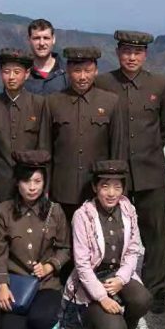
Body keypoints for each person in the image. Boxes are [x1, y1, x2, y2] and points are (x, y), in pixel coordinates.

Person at [95, 30, 165, 313]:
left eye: (137, 52)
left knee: (156, 234)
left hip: (150, 172)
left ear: (145, 55)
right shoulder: (103, 83)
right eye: (127, 52)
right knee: (113, 234)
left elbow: (164, 128)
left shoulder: (160, 83)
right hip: (116, 177)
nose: (132, 57)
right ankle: (111, 287)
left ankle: (155, 292)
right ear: (118, 53)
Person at [65, 160, 152, 329]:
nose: (111, 193)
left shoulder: (128, 210)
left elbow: (132, 249)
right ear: (95, 187)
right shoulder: (83, 216)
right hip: (93, 278)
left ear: (123, 189)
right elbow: (82, 264)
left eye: (117, 187)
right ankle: (91, 313)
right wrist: (102, 297)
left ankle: (130, 325)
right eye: (105, 186)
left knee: (143, 299)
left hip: (118, 273)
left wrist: (121, 279)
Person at [0, 150, 71, 329]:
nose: (32, 187)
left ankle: (43, 320)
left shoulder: (56, 211)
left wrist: (49, 266)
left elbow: (65, 248)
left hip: (45, 284)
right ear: (17, 183)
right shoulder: (4, 211)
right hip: (15, 284)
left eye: (37, 181)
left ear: (44, 183)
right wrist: (2, 286)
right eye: (26, 181)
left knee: (41, 319)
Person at [47, 47, 128, 225]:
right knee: (63, 243)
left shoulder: (110, 102)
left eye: (88, 71)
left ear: (96, 71)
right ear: (68, 71)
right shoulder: (53, 102)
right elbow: (46, 148)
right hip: (62, 189)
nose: (83, 77)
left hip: (98, 189)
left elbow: (117, 149)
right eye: (77, 71)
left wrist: (116, 188)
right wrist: (45, 188)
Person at [0, 48, 50, 205]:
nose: (11, 77)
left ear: (26, 74)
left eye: (17, 72)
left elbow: (44, 148)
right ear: (0, 73)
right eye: (6, 71)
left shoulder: (39, 104)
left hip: (31, 186)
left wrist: (45, 186)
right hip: (3, 185)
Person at [23, 19, 66, 96]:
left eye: (46, 38)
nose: (42, 43)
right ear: (29, 40)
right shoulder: (21, 74)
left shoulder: (67, 73)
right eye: (36, 38)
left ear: (53, 39)